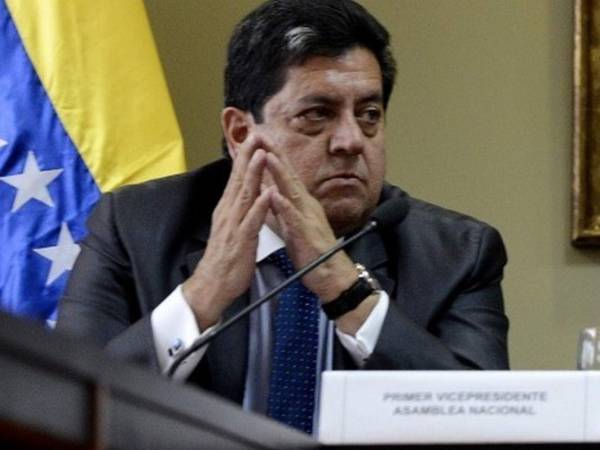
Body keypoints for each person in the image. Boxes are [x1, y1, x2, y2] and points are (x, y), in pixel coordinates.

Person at [57, 0, 509, 435]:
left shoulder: (457, 255)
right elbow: (65, 402)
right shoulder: (133, 227)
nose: (351, 140)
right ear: (240, 133)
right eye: (317, 115)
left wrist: (346, 290)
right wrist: (205, 293)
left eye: (369, 115)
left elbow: (484, 425)